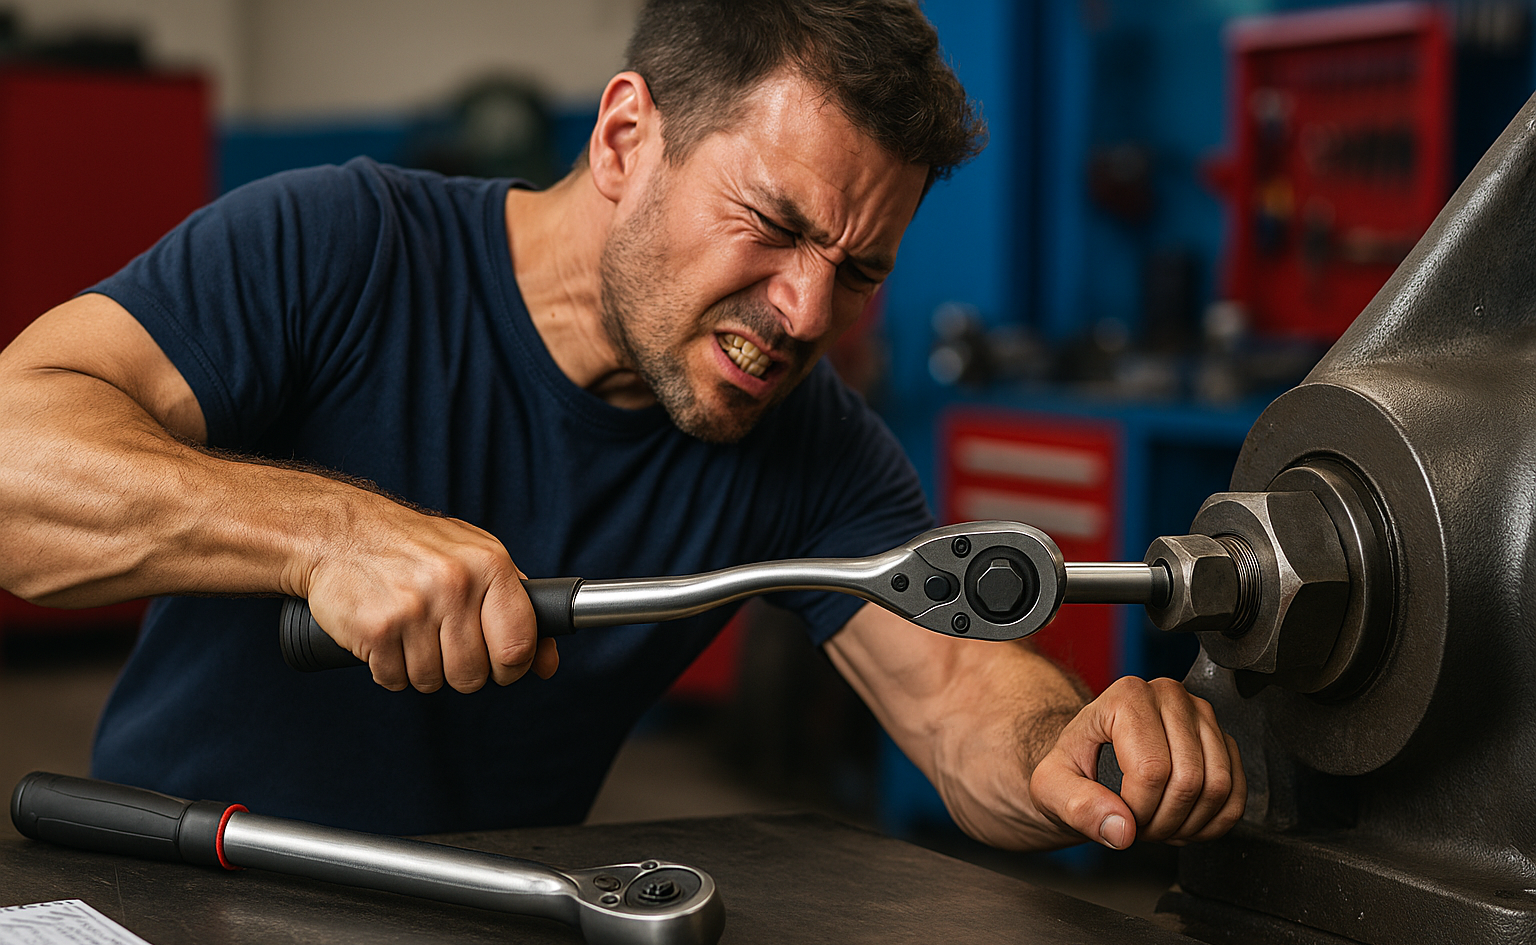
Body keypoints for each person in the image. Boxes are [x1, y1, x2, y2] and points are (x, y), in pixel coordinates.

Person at [0, 0, 1243, 850]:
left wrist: (1066, 742)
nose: (809, 310)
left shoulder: (806, 439)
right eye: (775, 223)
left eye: (860, 271)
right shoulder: (338, 244)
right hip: (168, 892)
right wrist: (325, 534)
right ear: (624, 137)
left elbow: (958, 691)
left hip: (484, 938)